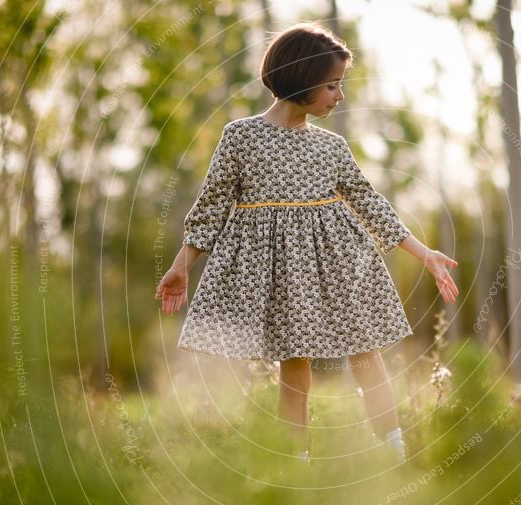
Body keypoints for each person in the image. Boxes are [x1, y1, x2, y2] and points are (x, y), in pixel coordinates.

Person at [155, 22, 458, 464]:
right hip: (281, 274)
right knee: (294, 366)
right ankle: (295, 464)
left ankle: (394, 452)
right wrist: (183, 263)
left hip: (339, 264)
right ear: (303, 79)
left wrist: (423, 253)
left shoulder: (332, 148)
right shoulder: (241, 137)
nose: (339, 96)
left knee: (365, 352)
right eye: (332, 86)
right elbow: (212, 207)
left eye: (340, 86)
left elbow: (369, 204)